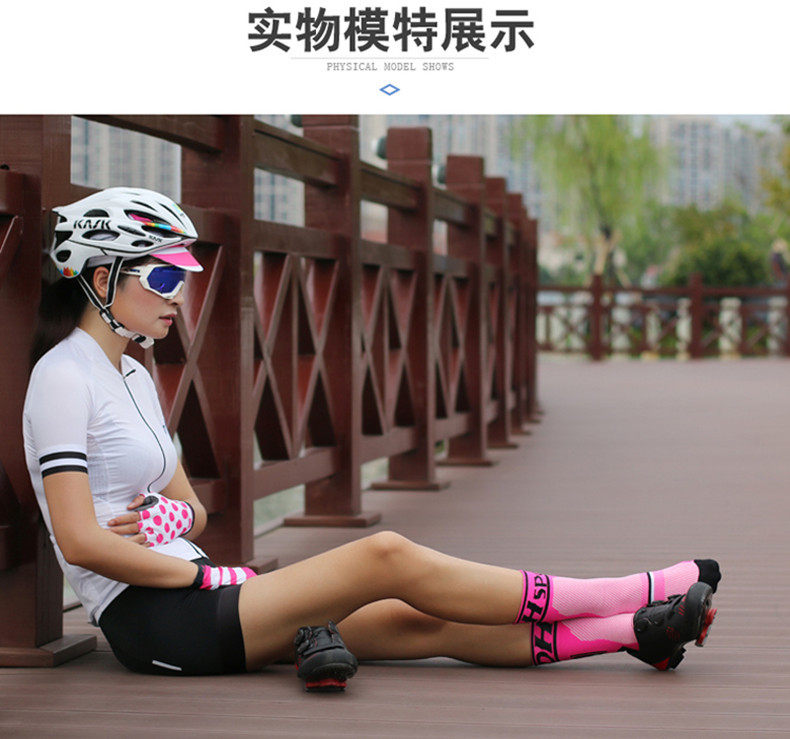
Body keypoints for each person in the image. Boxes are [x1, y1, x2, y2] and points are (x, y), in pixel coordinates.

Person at [24, 187, 720, 682]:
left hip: (203, 588)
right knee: (385, 555)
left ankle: (635, 632)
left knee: (420, 621)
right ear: (101, 277)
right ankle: (626, 590)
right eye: (163, 276)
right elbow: (79, 542)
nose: (178, 295)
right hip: (158, 618)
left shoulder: (134, 375)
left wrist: (169, 520)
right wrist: (196, 572)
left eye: (184, 278)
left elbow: (194, 510)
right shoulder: (62, 377)